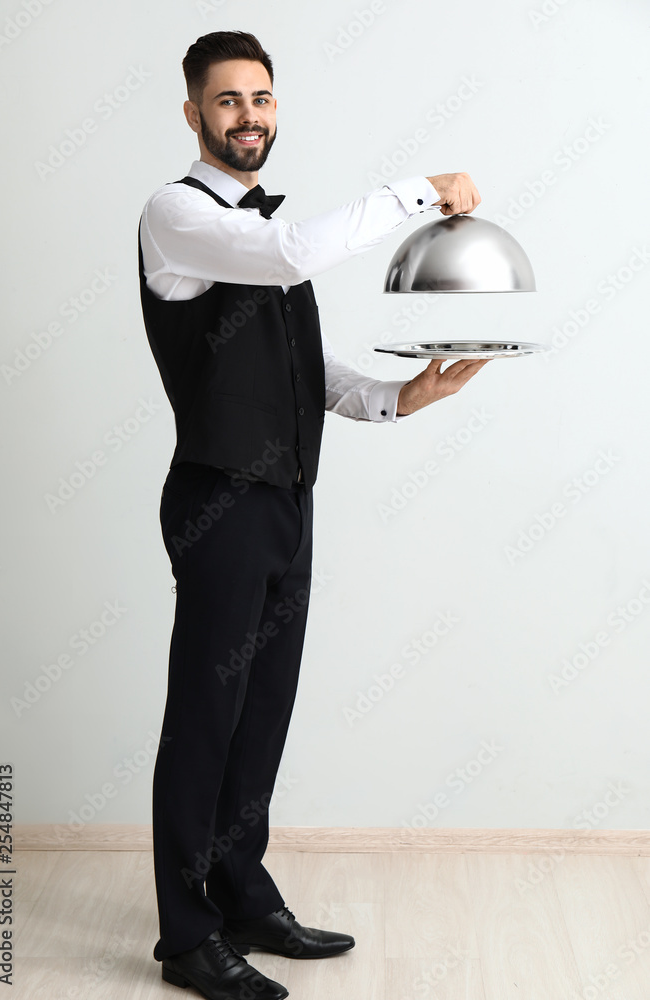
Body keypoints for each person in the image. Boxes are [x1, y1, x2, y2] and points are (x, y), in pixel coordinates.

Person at [138, 29, 488, 1000]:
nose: (248, 116)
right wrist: (423, 189)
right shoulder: (179, 215)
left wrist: (395, 397)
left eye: (261, 98)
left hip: (288, 498)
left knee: (263, 712)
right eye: (227, 101)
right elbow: (293, 249)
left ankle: (242, 888)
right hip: (219, 503)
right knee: (206, 716)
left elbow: (294, 372)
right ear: (193, 114)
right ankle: (186, 935)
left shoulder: (256, 228)